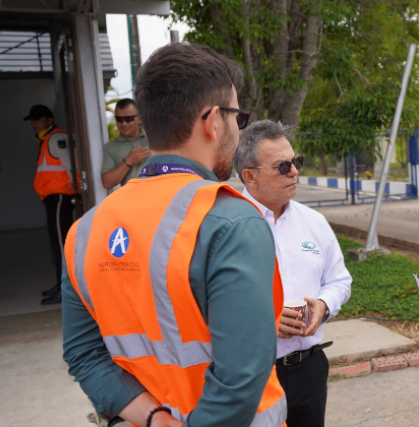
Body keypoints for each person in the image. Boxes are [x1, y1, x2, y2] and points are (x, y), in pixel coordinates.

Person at [61, 43, 287, 427]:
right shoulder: (229, 222)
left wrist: (154, 418)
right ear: (213, 121)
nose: (237, 128)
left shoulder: (84, 231)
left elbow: (84, 354)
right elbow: (240, 379)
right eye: (238, 117)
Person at [235, 120, 352, 427]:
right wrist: (264, 321)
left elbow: (340, 280)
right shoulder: (225, 226)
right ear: (250, 176)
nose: (295, 172)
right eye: (282, 166)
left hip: (309, 368)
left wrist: (324, 304)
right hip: (252, 373)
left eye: (295, 162)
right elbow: (204, 302)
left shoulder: (314, 222)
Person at [24, 104, 78, 305]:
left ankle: (66, 291)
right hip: (53, 199)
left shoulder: (56, 138)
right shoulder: (48, 139)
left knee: (61, 246)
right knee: (57, 246)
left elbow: (71, 166)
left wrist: (76, 188)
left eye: (38, 119)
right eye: (32, 120)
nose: (34, 123)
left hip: (60, 198)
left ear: (49, 120)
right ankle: (60, 285)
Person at [101, 98, 150, 190]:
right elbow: (107, 183)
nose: (123, 123)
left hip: (158, 199)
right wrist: (128, 161)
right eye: (119, 119)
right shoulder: (109, 148)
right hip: (131, 201)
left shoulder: (154, 140)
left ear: (139, 119)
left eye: (128, 119)